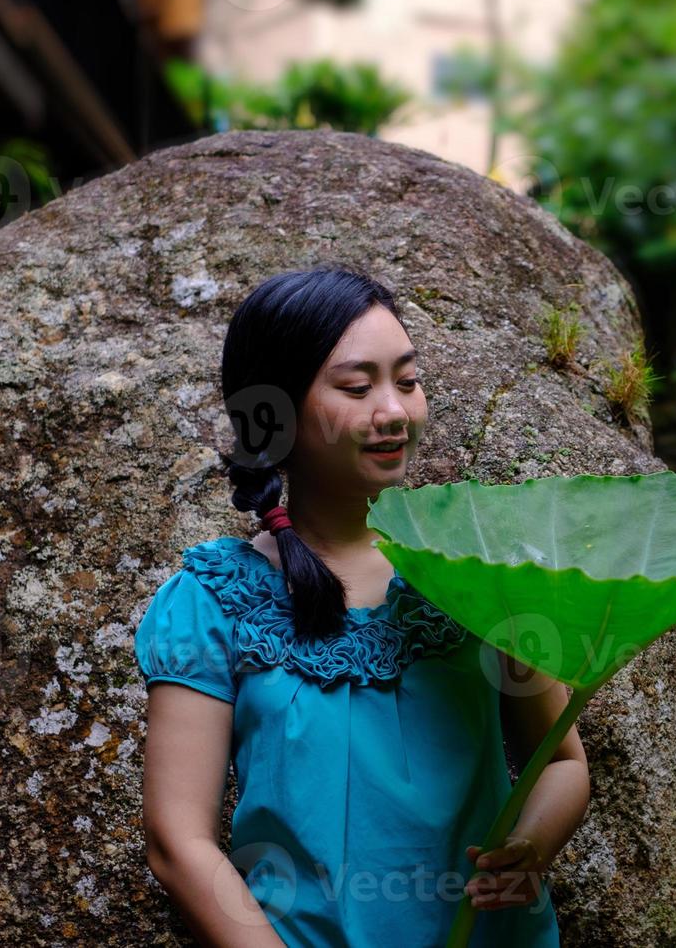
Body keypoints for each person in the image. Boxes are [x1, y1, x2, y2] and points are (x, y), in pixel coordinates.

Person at [134, 266, 587, 946]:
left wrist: (531, 847)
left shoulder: (476, 570)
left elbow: (561, 762)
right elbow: (178, 841)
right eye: (357, 386)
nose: (395, 411)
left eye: (407, 380)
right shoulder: (213, 603)